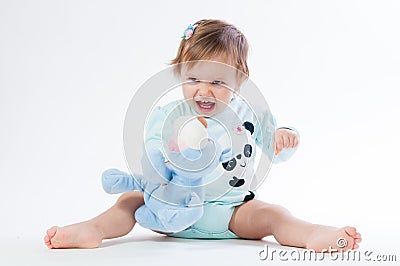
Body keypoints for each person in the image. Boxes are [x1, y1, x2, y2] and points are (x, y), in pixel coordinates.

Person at [44, 19, 361, 251]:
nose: (204, 90)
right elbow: (151, 158)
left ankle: (312, 235)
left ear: (239, 82)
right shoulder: (167, 117)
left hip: (232, 213)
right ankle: (93, 230)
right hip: (172, 209)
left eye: (218, 83)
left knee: (274, 215)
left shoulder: (250, 115)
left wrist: (283, 137)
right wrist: (171, 153)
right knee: (128, 200)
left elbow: (276, 151)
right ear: (180, 73)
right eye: (193, 77)